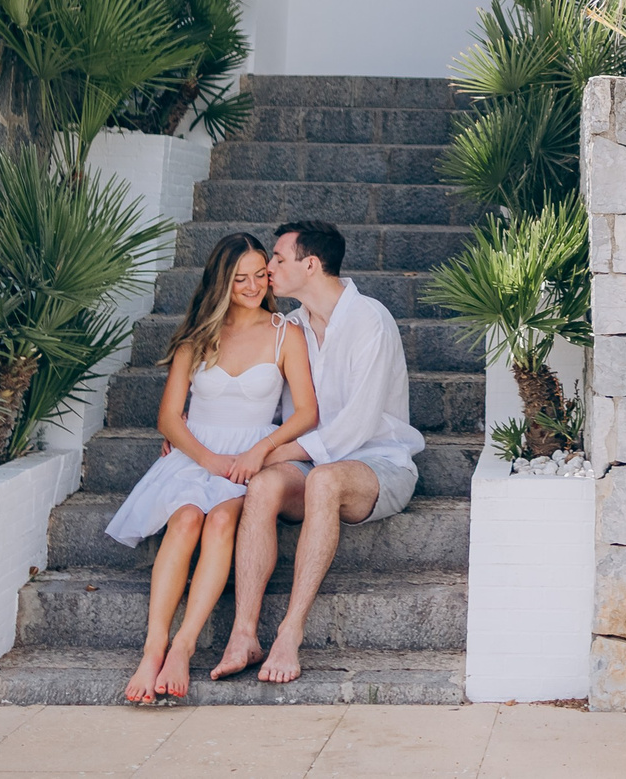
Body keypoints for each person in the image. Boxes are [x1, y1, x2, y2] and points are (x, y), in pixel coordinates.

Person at [102, 232, 317, 704]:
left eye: (261, 274)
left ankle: (184, 646)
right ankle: (153, 647)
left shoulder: (286, 333)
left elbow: (306, 414)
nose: (253, 285)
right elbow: (167, 416)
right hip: (195, 452)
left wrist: (260, 451)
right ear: (222, 282)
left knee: (220, 523)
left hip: (247, 458)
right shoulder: (199, 337)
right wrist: (206, 458)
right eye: (240, 278)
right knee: (184, 521)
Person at [209, 219, 424, 686]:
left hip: (378, 464)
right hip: (309, 462)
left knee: (324, 480)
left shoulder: (371, 320)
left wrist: (272, 450)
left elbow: (356, 427)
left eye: (279, 259)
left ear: (311, 264)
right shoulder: (290, 327)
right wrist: (193, 431)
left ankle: (289, 632)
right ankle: (244, 634)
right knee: (264, 486)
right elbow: (257, 400)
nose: (268, 267)